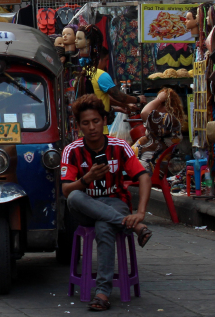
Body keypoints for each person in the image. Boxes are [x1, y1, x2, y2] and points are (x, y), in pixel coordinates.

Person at [61, 94, 153, 312]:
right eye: (86, 123)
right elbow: (66, 190)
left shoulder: (120, 146)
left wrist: (140, 213)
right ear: (79, 126)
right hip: (85, 206)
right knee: (74, 196)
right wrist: (86, 179)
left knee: (104, 225)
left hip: (115, 202)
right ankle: (132, 226)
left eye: (95, 121)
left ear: (104, 120)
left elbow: (144, 177)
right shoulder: (71, 150)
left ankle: (102, 293)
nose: (92, 127)